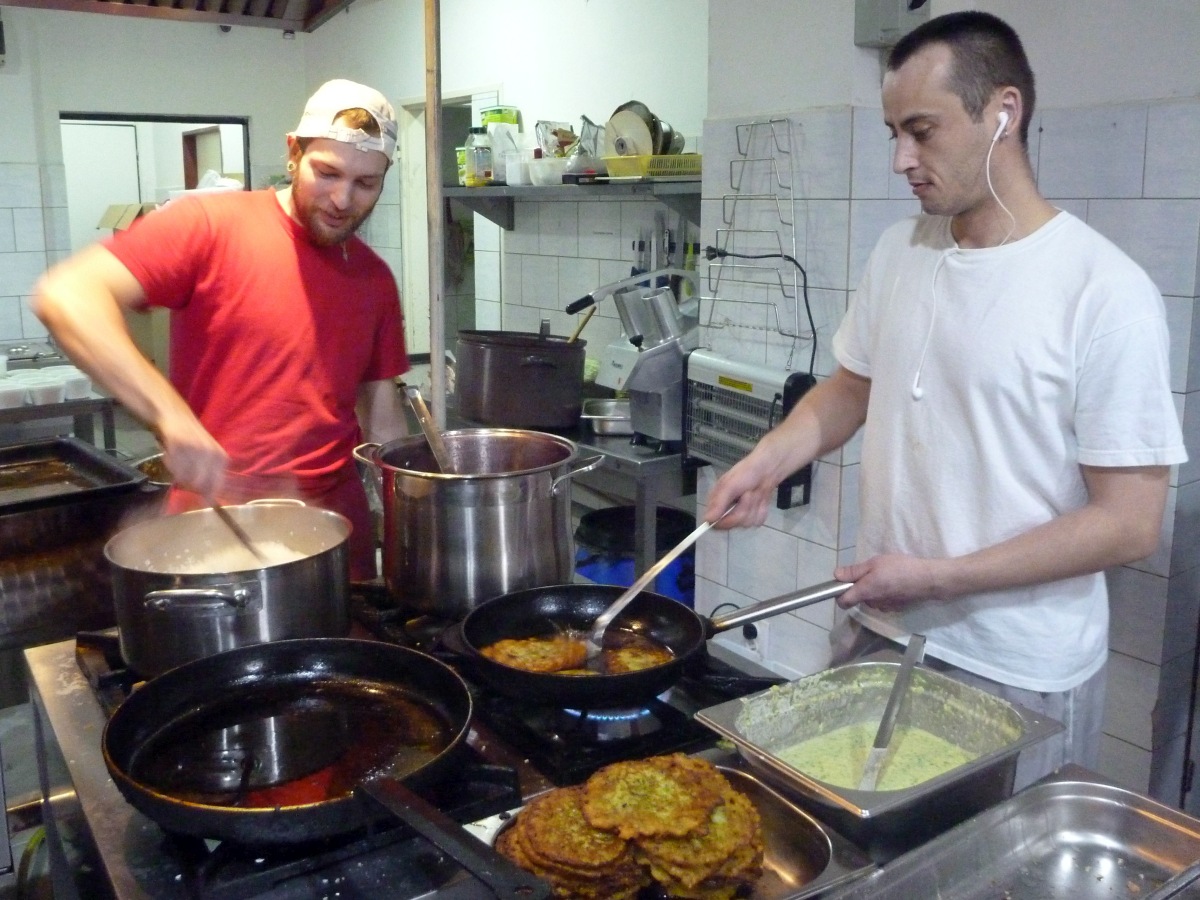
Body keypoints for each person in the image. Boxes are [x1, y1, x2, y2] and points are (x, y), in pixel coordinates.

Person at [704, 11, 1186, 786]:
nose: (902, 159)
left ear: (1003, 112)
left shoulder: (1104, 292)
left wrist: (938, 577)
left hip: (1016, 669)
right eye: (895, 132)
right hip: (879, 630)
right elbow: (852, 387)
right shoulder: (901, 251)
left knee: (988, 856)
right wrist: (766, 460)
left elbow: (1128, 524)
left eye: (922, 131)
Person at [33, 79, 409, 580]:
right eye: (327, 173)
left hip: (336, 532)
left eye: (366, 184)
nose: (342, 199)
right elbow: (66, 294)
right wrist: (170, 414)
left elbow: (381, 416)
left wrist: (414, 511)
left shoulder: (373, 278)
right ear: (293, 152)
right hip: (215, 523)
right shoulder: (209, 226)